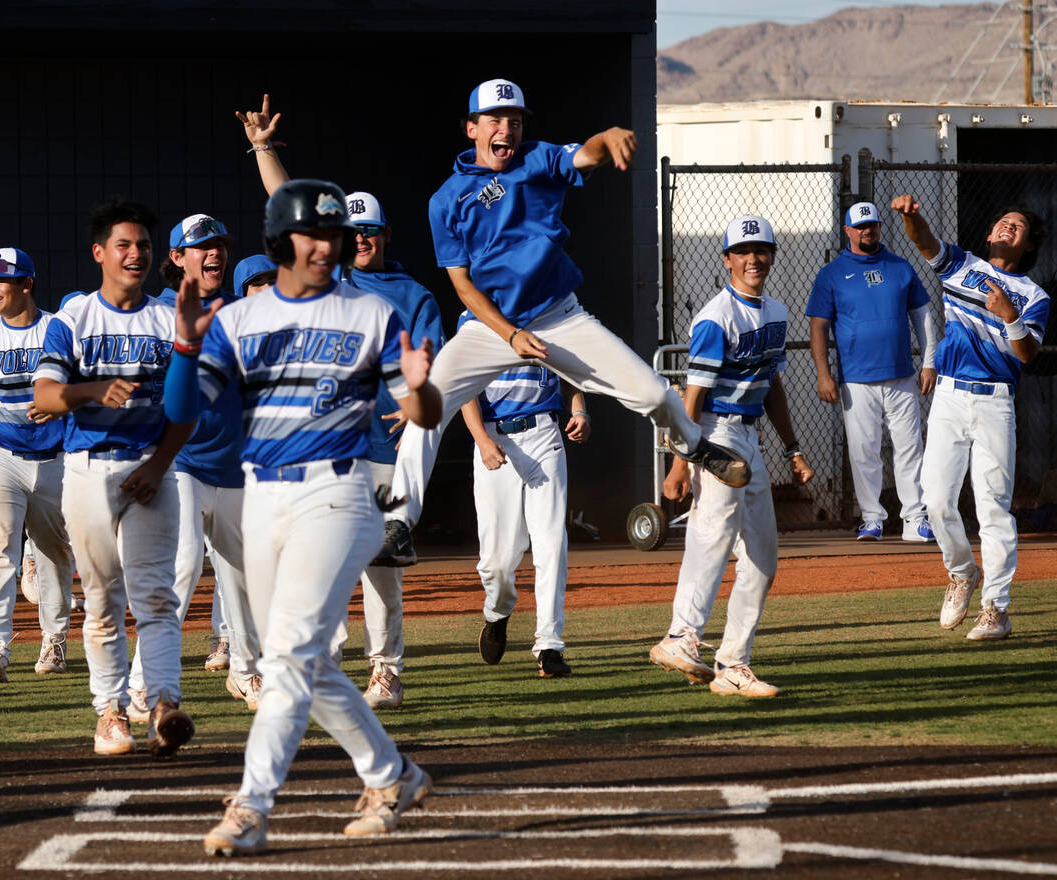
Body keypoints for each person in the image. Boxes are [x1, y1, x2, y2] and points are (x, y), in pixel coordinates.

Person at [165, 178, 439, 857]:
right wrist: (182, 345)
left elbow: (424, 413)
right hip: (262, 499)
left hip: (340, 496)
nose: (326, 246)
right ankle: (392, 776)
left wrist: (423, 386)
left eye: (335, 236)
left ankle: (251, 805)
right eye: (312, 234)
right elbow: (180, 411)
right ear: (279, 240)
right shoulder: (238, 320)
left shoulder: (373, 313)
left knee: (285, 654)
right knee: (306, 660)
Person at [377, 78, 748, 568]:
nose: (506, 127)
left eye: (515, 119)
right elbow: (462, 286)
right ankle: (399, 526)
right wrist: (508, 334)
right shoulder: (446, 201)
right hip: (490, 327)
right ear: (471, 129)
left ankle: (695, 446)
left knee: (655, 394)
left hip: (557, 316)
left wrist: (607, 135)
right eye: (494, 119)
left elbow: (587, 155)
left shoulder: (538, 158)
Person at [33, 199, 195, 756]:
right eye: (123, 245)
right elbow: (46, 396)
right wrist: (91, 391)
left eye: (144, 246)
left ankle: (163, 706)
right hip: (87, 468)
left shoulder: (168, 316)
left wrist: (158, 464)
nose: (135, 254)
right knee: (102, 599)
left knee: (155, 596)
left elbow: (186, 407)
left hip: (150, 466)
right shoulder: (71, 318)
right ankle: (109, 712)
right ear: (99, 252)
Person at [649, 216, 813, 698]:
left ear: (772, 256)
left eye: (761, 249)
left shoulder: (777, 313)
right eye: (743, 250)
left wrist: (793, 448)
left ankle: (733, 664)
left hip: (751, 437)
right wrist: (681, 462)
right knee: (711, 533)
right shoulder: (715, 317)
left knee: (762, 558)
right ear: (727, 260)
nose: (753, 258)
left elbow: (773, 386)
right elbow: (692, 395)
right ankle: (681, 636)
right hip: (712, 432)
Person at [890, 195, 1049, 640]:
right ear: (989, 233)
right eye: (1002, 220)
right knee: (936, 501)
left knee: (992, 507)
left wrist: (1009, 316)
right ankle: (962, 572)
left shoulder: (1035, 296)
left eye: (1016, 226)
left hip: (996, 401)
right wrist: (911, 215)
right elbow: (925, 243)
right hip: (949, 396)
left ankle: (996, 609)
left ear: (1028, 245)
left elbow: (1028, 353)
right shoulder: (963, 264)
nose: (1006, 227)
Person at [123, 213, 262, 717]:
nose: (215, 253)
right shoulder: (157, 315)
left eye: (220, 245)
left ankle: (246, 672)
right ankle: (143, 683)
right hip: (178, 463)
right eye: (202, 245)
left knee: (245, 578)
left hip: (234, 466)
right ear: (177, 258)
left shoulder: (239, 314)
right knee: (179, 569)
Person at [342, 191, 445, 709]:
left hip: (387, 441)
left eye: (369, 230)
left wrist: (414, 403)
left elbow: (435, 367)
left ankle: (386, 671)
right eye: (352, 231)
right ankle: (326, 665)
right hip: (335, 449)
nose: (361, 239)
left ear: (384, 235)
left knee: (382, 563)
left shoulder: (413, 295)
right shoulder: (327, 285)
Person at [0, 247, 76, 682]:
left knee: (55, 554)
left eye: (2, 280)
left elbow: (82, 386)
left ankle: (54, 640)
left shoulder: (57, 328)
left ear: (27, 284)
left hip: (54, 459)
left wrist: (62, 403)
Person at [807, 201, 938, 542]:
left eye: (874, 225)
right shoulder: (832, 274)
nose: (869, 230)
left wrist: (929, 362)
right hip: (856, 378)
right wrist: (824, 374)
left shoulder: (900, 267)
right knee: (864, 450)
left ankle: (914, 518)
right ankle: (871, 518)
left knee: (910, 446)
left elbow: (923, 315)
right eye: (861, 226)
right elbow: (818, 326)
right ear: (848, 231)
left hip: (901, 375)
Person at [460, 356, 587, 678]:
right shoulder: (475, 318)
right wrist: (481, 439)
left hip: (545, 433)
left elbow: (569, 368)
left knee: (551, 544)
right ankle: (497, 611)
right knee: (496, 561)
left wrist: (579, 410)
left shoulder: (553, 310)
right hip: (494, 437)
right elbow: (466, 387)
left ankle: (550, 646)